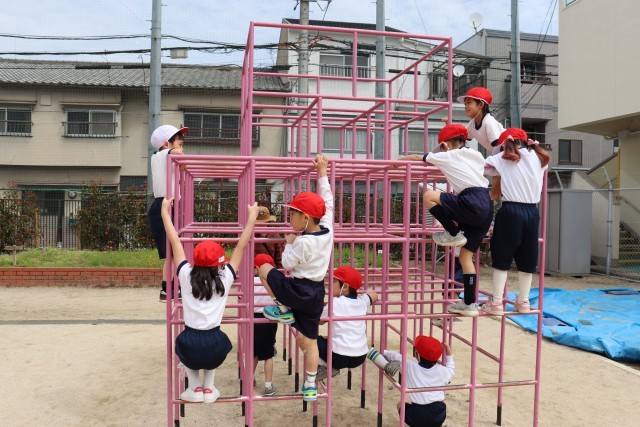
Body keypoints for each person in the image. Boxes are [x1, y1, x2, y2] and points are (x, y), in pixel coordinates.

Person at [161, 197, 259, 403]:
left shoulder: (186, 275)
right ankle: (209, 388)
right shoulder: (225, 279)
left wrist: (164, 213)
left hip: (190, 343)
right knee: (213, 344)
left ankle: (194, 387)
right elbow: (241, 247)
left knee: (182, 343)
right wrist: (252, 219)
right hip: (215, 344)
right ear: (219, 265)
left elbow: (175, 242)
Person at [257, 154, 333, 402]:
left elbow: (287, 264)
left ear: (306, 218)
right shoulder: (328, 230)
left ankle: (283, 309)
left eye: (293, 215)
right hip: (316, 293)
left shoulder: (302, 242)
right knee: (310, 343)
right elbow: (328, 202)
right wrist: (322, 173)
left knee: (264, 267)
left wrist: (289, 243)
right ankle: (310, 385)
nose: (290, 219)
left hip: (296, 290)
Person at [398, 124, 493, 317]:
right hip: (486, 204)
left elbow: (416, 158)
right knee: (465, 257)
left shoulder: (448, 155)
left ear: (445, 144)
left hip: (470, 200)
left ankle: (452, 232)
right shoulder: (475, 155)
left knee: (429, 196)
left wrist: (396, 162)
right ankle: (469, 303)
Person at [480, 128, 551, 316]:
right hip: (532, 212)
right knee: (527, 258)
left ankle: (496, 302)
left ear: (505, 144)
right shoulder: (540, 158)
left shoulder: (502, 158)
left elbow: (480, 167)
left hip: (511, 210)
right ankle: (523, 301)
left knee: (501, 257)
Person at [316, 266, 379, 382]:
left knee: (305, 339)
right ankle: (385, 363)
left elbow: (319, 321)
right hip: (359, 358)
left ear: (345, 286)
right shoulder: (362, 301)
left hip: (338, 357)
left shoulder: (335, 303)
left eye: (334, 281)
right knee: (358, 341)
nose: (329, 284)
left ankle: (327, 367)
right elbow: (374, 295)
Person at [147, 124, 188, 302]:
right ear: (166, 144)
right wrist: (181, 157)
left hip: (166, 204)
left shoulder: (162, 158)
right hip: (165, 205)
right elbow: (179, 155)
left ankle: (168, 288)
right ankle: (169, 288)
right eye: (179, 143)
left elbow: (181, 164)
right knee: (173, 250)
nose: (181, 148)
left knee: (172, 252)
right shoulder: (163, 154)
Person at [381, 336, 455, 427]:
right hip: (438, 415)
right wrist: (449, 355)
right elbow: (451, 369)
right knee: (442, 401)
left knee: (400, 405)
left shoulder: (409, 366)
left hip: (417, 415)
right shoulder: (442, 371)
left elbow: (396, 356)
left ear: (417, 354)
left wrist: (384, 352)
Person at [252, 253, 278, 396]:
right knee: (268, 354)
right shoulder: (273, 282)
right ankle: (268, 386)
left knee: (253, 352)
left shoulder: (250, 281)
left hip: (253, 319)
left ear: (256, 268)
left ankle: (249, 379)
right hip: (269, 318)